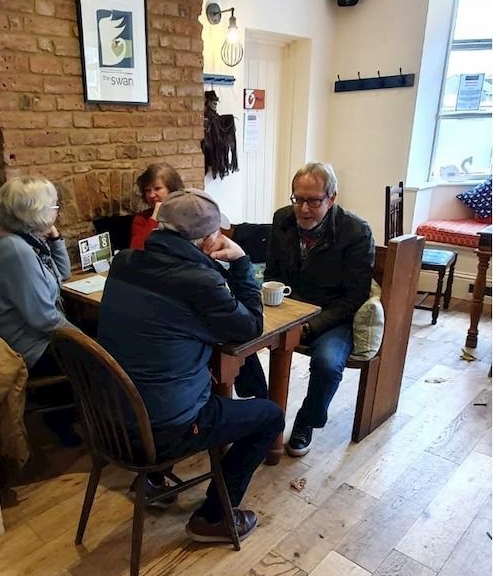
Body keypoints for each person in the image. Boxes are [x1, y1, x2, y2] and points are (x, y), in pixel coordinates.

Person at [98, 189, 284, 543]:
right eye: (218, 232)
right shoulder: (200, 282)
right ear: (208, 239)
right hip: (163, 431)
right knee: (269, 416)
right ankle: (213, 519)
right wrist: (242, 263)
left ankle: (152, 479)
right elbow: (249, 327)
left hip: (111, 420)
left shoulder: (124, 261)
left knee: (173, 374)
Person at [264, 162, 375, 457]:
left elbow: (355, 297)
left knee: (327, 363)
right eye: (298, 199)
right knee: (237, 340)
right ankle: (262, 414)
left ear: (332, 197)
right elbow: (273, 272)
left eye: (314, 201)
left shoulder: (357, 231)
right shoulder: (282, 219)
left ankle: (306, 421)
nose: (303, 209)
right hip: (290, 307)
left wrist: (310, 326)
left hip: (333, 314)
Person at [0, 176, 79, 445]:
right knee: (106, 345)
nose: (57, 211)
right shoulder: (16, 251)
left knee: (98, 334)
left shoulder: (19, 240)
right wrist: (87, 341)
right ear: (35, 213)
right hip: (31, 346)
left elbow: (63, 274)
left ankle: (75, 413)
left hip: (34, 335)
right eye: (54, 206)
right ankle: (80, 422)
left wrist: (55, 236)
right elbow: (44, 318)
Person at [130, 162, 184, 249]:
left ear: (171, 189)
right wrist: (154, 218)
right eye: (147, 190)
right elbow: (136, 249)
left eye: (157, 188)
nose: (151, 195)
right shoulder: (141, 219)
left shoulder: (185, 213)